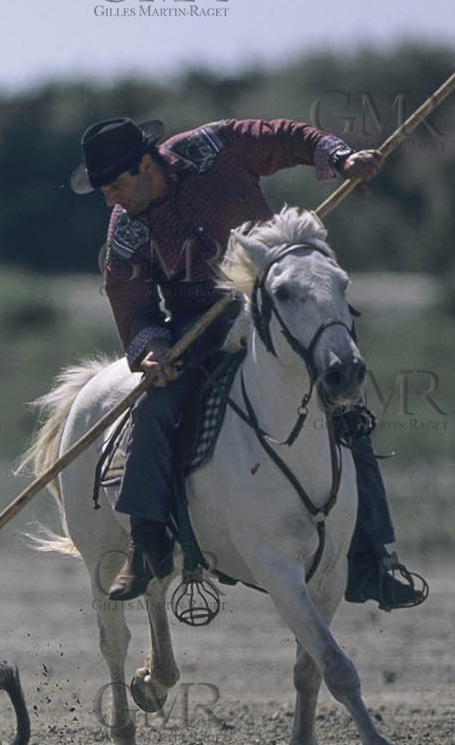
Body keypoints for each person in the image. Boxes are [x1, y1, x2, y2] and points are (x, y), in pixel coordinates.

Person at [71, 116, 426, 610]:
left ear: (145, 164)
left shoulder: (211, 147)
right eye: (105, 191)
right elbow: (128, 296)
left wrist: (341, 157)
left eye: (115, 185)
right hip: (195, 320)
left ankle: (373, 560)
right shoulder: (126, 227)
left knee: (347, 411)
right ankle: (148, 541)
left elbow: (283, 138)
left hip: (271, 300)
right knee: (154, 408)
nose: (112, 199)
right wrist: (150, 348)